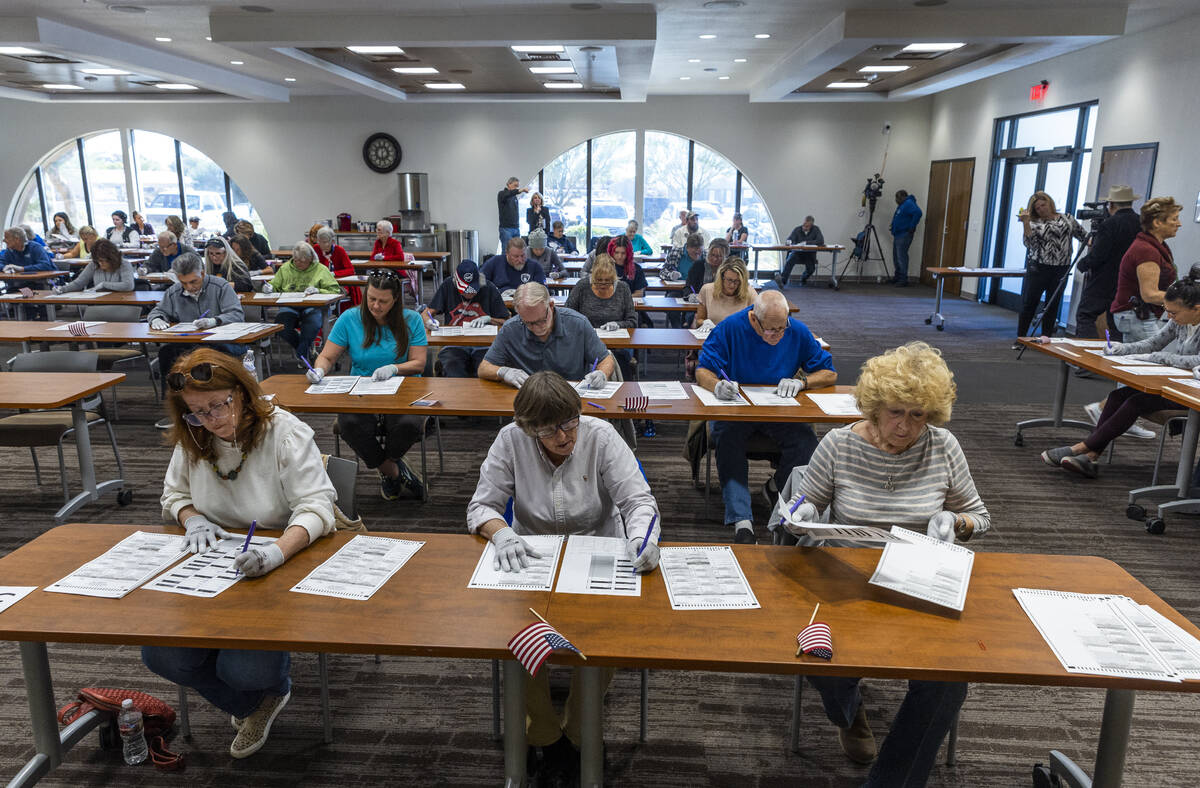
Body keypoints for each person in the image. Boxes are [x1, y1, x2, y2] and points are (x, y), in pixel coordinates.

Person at [776, 341, 988, 787]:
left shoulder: (943, 446)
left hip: (919, 579)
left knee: (948, 681)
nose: (905, 426)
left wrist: (957, 522)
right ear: (874, 407)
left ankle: (892, 781)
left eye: (918, 415)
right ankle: (850, 714)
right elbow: (803, 499)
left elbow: (979, 515)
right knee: (823, 662)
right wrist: (803, 513)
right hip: (846, 580)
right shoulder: (839, 444)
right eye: (896, 412)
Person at [466, 370, 660, 784]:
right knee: (515, 634)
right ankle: (545, 735)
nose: (565, 435)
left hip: (597, 553)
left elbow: (638, 501)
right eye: (551, 429)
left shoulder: (601, 436)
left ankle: (577, 730)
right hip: (534, 558)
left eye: (571, 422)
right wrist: (501, 533)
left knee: (607, 637)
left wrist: (643, 537)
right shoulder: (509, 441)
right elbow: (481, 507)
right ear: (528, 427)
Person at [143, 347, 336, 760]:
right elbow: (173, 494)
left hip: (279, 566)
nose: (211, 420)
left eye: (218, 405)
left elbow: (318, 508)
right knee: (161, 655)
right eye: (197, 412)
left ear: (243, 392)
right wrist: (190, 516)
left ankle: (265, 688)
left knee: (243, 670)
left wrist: (275, 553)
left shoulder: (284, 432)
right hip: (211, 568)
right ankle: (256, 705)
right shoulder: (194, 435)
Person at [696, 290, 836, 543]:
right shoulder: (730, 328)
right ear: (753, 318)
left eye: (781, 328)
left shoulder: (796, 330)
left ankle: (775, 486)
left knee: (807, 442)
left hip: (777, 408)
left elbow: (829, 372)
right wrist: (716, 385)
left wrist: (803, 381)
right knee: (728, 440)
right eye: (770, 330)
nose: (776, 336)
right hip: (737, 408)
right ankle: (742, 522)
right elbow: (703, 370)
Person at [1042, 270, 1200, 478]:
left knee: (1137, 402)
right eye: (1167, 311)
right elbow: (1154, 343)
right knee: (1118, 395)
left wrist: (1161, 358)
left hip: (1190, 394)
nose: (1169, 317)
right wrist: (1122, 349)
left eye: (1174, 313)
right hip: (1176, 385)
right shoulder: (1179, 321)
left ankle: (1082, 449)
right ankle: (1090, 456)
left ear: (1196, 309)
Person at [305, 269, 428, 500]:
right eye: (371, 299)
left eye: (383, 301)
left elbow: (419, 363)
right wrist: (319, 369)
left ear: (395, 300)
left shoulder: (411, 320)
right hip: (362, 389)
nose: (376, 306)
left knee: (409, 423)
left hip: (403, 387)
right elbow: (328, 356)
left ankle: (389, 471)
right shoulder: (350, 318)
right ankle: (394, 471)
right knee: (349, 423)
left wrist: (394, 368)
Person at [146, 252, 246, 406]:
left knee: (209, 353)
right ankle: (175, 402)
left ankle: (219, 402)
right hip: (189, 341)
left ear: (203, 273)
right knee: (167, 352)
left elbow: (237, 314)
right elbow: (158, 311)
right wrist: (156, 318)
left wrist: (215, 320)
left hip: (223, 341)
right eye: (184, 283)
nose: (189, 287)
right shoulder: (174, 291)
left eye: (194, 281)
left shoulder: (220, 286)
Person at [479, 282, 615, 389]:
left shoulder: (578, 323)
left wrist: (602, 374)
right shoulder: (511, 329)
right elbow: (484, 368)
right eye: (529, 323)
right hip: (530, 402)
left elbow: (605, 359)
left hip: (573, 398)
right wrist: (503, 372)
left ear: (551, 306)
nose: (537, 328)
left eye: (541, 320)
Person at [1015, 191, 1088, 342]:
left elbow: (1084, 236)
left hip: (1061, 268)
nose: (1042, 208)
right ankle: (1021, 338)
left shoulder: (1067, 218)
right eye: (1038, 207)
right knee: (1030, 303)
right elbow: (1029, 244)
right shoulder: (1035, 222)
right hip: (1039, 267)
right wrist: (1026, 223)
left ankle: (1046, 338)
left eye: (1044, 204)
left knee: (1052, 304)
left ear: (1050, 203)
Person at [1109, 196, 1183, 342]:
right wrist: (1186, 300)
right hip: (1136, 316)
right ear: (1157, 223)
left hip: (1137, 315)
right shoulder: (1146, 251)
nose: (1179, 224)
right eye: (1174, 219)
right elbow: (1150, 295)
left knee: (1134, 360)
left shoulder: (1156, 247)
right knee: (1152, 362)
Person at [425, 259, 509, 378]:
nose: (469, 294)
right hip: (454, 343)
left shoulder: (489, 288)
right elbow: (426, 313)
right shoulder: (448, 285)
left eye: (473, 290)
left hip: (484, 343)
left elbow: (506, 321)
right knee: (452, 366)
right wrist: (429, 321)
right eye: (464, 291)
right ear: (456, 282)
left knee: (484, 370)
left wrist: (489, 319)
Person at [262, 241, 341, 365]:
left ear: (310, 259)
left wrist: (318, 290)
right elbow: (275, 285)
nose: (298, 263)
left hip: (313, 306)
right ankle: (305, 352)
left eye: (302, 261)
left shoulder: (320, 269)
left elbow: (335, 290)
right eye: (296, 260)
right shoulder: (286, 268)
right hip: (290, 306)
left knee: (312, 325)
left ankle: (302, 353)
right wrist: (269, 288)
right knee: (281, 327)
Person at [566, 256, 637, 379]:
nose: (603, 284)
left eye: (608, 280)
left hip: (617, 344)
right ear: (592, 276)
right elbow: (567, 315)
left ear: (614, 278)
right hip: (586, 343)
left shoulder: (623, 288)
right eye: (599, 280)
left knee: (620, 361)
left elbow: (633, 321)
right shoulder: (582, 286)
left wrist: (618, 324)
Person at [54, 239, 133, 293]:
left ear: (111, 258)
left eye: (102, 260)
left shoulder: (124, 264)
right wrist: (63, 289)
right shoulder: (94, 264)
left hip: (121, 302)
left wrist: (104, 284)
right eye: (97, 260)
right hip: (100, 302)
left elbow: (128, 285)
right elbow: (79, 283)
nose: (99, 263)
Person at [695, 258, 755, 327]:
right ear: (722, 277)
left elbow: (757, 324)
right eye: (729, 280)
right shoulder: (707, 290)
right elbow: (699, 320)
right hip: (713, 334)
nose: (732, 285)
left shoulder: (750, 293)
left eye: (737, 281)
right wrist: (704, 323)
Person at [313, 225, 360, 308]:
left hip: (339, 283)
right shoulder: (316, 249)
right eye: (320, 242)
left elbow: (351, 270)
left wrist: (334, 273)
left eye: (325, 242)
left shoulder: (339, 251)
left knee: (332, 294)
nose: (322, 245)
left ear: (332, 241)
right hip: (321, 282)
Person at [481, 237, 546, 294]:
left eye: (523, 255)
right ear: (507, 253)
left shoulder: (535, 266)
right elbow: (480, 282)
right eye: (516, 256)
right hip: (499, 303)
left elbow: (543, 290)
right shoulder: (495, 262)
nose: (520, 260)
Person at [778, 216, 825, 287]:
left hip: (809, 254)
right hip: (797, 253)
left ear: (811, 225)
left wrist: (806, 243)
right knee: (790, 259)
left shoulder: (816, 230)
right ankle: (782, 280)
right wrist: (791, 242)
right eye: (804, 225)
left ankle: (803, 278)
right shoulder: (797, 229)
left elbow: (820, 241)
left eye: (807, 226)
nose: (804, 227)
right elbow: (790, 239)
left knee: (811, 269)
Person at [889, 190, 922, 286]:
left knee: (901, 257)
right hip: (898, 234)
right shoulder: (903, 205)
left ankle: (903, 279)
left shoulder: (908, 203)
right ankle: (898, 277)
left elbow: (918, 213)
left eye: (897, 197)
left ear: (903, 196)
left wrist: (912, 227)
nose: (896, 200)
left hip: (904, 234)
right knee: (896, 257)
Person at [497, 177, 528, 250]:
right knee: (506, 251)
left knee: (517, 250)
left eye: (517, 186)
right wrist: (521, 190)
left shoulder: (514, 197)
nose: (516, 188)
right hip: (506, 229)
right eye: (515, 185)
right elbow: (509, 194)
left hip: (516, 228)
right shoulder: (502, 194)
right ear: (508, 184)